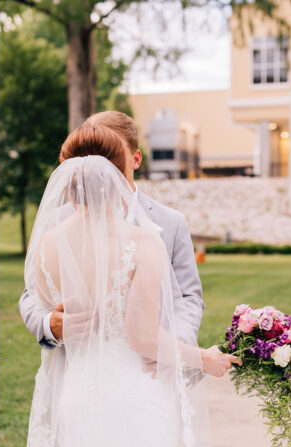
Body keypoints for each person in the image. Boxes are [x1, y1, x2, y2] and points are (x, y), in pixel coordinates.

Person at [17, 125, 240, 447]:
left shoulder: (48, 243)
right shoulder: (142, 242)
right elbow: (140, 337)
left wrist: (63, 319)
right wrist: (205, 358)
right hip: (135, 398)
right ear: (121, 174)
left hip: (77, 396)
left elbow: (53, 306)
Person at [18, 110, 233, 371]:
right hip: (75, 369)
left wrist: (173, 349)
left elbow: (189, 297)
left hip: (151, 371)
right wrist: (48, 324)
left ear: (135, 159)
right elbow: (31, 293)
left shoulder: (171, 222)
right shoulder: (55, 222)